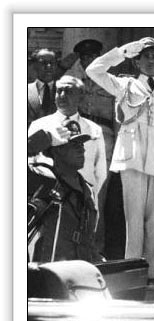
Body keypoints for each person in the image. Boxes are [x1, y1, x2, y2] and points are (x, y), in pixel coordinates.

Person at [86, 37, 154, 285]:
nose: (150, 61)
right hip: (133, 156)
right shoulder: (125, 85)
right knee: (134, 219)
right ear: (137, 61)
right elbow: (94, 70)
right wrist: (123, 52)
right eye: (145, 56)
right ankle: (133, 271)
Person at [28, 76, 107, 230]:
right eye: (59, 91)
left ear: (81, 97)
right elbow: (30, 164)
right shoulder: (39, 125)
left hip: (81, 203)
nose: (62, 95)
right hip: (48, 203)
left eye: (69, 91)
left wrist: (91, 199)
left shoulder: (94, 129)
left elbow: (100, 172)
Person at [64, 39, 117, 255]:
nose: (88, 61)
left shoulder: (111, 82)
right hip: (79, 137)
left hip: (105, 138)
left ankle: (95, 250)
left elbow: (118, 118)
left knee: (98, 197)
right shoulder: (74, 81)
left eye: (93, 57)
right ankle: (72, 248)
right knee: (76, 195)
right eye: (84, 58)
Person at [28, 131, 101, 263]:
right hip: (48, 268)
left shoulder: (88, 189)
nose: (82, 150)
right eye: (74, 145)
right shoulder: (43, 181)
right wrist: (31, 145)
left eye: (82, 145)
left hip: (79, 268)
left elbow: (89, 239)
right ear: (56, 151)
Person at [27, 48, 58, 127]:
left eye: (52, 63)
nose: (48, 66)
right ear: (34, 65)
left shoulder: (66, 90)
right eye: (43, 63)